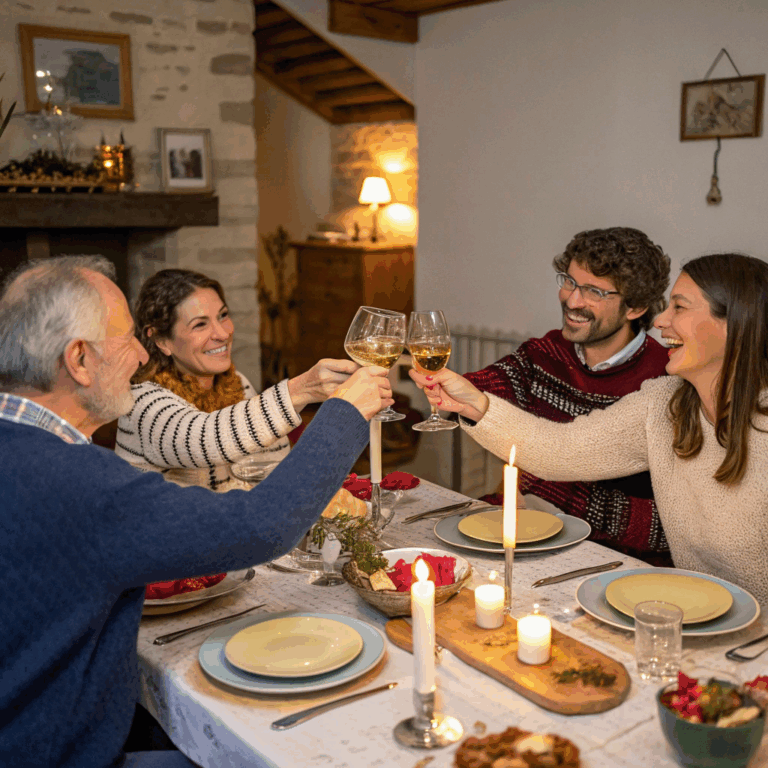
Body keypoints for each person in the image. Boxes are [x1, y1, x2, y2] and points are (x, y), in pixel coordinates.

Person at [0, 256, 392, 768]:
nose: (140, 355)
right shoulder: (82, 483)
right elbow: (261, 526)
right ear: (78, 359)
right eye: (125, 339)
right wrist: (345, 412)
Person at [411, 253, 768, 607]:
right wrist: (476, 406)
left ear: (735, 324)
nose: (660, 320)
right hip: (695, 612)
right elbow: (560, 450)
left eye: (679, 307)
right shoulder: (663, 403)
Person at [464, 228, 672, 565]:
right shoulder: (546, 352)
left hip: (616, 563)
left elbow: (669, 528)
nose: (572, 301)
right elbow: (482, 389)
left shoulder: (664, 379)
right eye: (570, 282)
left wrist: (549, 491)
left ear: (635, 307)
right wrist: (437, 386)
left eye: (593, 291)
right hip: (532, 537)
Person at [116, 269, 358, 491]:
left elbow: (272, 469)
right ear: (160, 340)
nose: (222, 333)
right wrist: (302, 390)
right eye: (200, 325)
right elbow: (204, 439)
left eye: (223, 316)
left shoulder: (236, 384)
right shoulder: (140, 401)